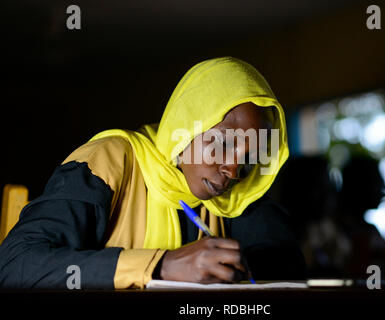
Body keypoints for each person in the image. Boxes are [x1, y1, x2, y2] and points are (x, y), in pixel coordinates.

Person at [0, 57, 305, 289]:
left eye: (249, 157)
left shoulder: (235, 193)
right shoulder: (109, 159)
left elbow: (280, 265)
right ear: (187, 125)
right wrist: (160, 265)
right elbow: (16, 264)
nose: (233, 169)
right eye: (223, 143)